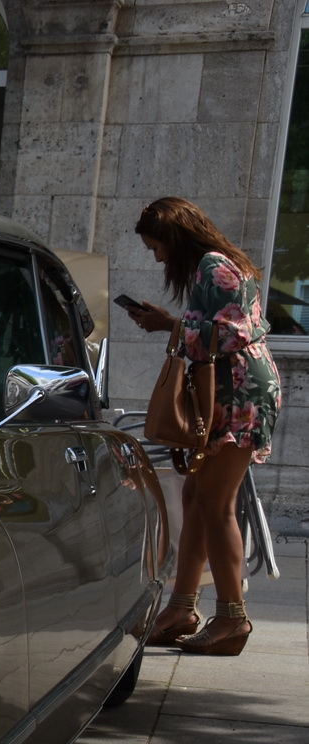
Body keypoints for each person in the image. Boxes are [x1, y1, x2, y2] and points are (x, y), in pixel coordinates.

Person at [124, 196, 280, 656]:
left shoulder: (214, 267)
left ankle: (232, 618)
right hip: (228, 391)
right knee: (196, 495)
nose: (157, 257)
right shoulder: (205, 270)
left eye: (157, 247)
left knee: (215, 502)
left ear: (176, 237)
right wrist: (172, 326)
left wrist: (170, 326)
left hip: (241, 393)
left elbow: (237, 333)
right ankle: (182, 607)